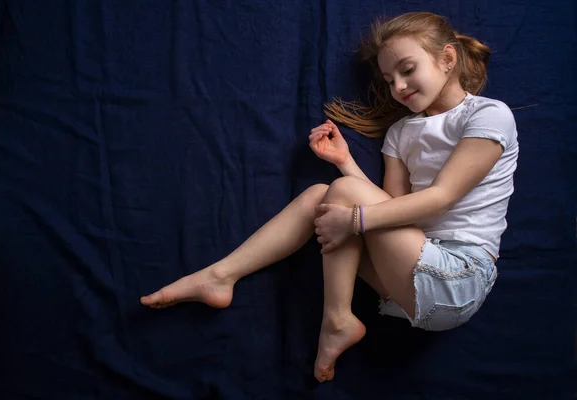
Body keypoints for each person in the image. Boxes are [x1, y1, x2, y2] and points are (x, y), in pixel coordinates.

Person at [140, 11, 518, 383]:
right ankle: (220, 276)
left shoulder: (488, 115)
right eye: (389, 80)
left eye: (407, 69)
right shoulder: (401, 133)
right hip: (410, 278)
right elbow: (393, 212)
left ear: (447, 58)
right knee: (320, 195)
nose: (398, 87)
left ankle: (336, 318)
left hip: (459, 276)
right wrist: (345, 162)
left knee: (341, 199)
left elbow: (440, 198)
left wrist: (354, 220)